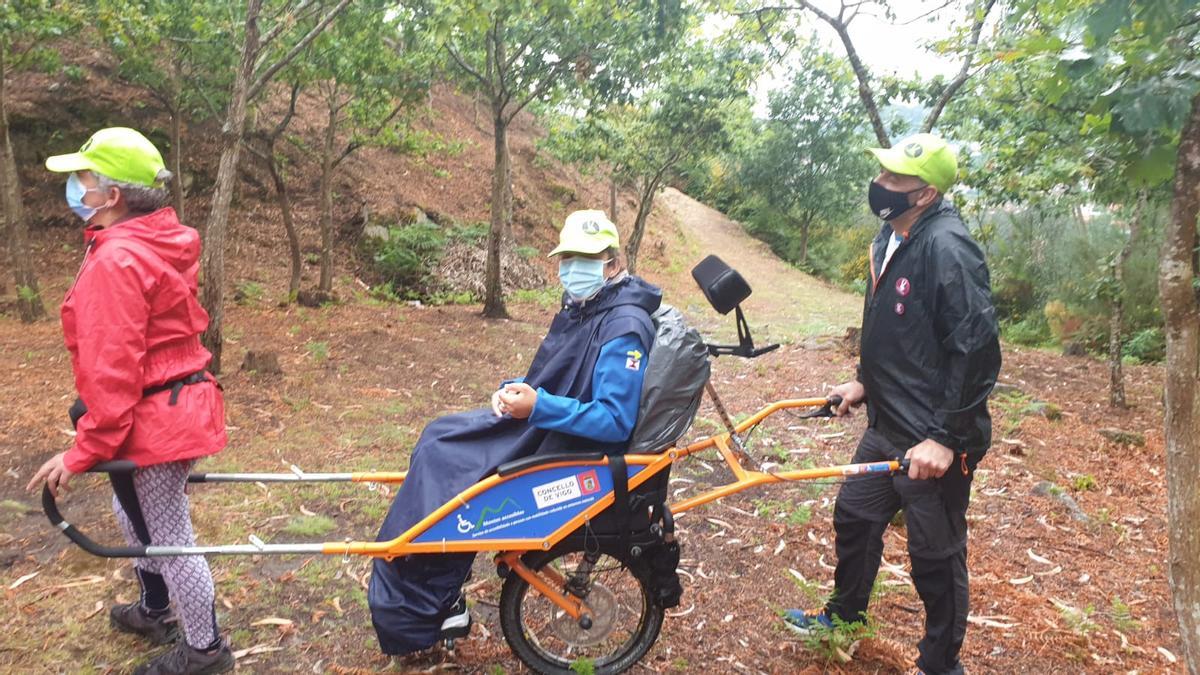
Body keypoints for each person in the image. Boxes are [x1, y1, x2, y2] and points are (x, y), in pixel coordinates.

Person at [368, 210, 661, 657]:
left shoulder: (623, 327)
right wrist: (513, 393)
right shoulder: (589, 307)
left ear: (611, 261)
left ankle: (426, 600)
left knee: (446, 460)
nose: (569, 269)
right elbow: (555, 374)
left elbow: (614, 421)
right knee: (438, 435)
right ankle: (432, 587)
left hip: (567, 444)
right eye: (565, 258)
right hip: (543, 427)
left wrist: (537, 405)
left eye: (582, 258)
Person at [783, 133, 1001, 675]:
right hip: (888, 422)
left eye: (895, 180)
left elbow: (976, 350)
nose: (881, 186)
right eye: (881, 174)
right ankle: (844, 617)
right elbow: (894, 331)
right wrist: (863, 382)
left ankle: (941, 665)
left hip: (931, 436)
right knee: (855, 515)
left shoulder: (948, 248)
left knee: (935, 554)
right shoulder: (889, 237)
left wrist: (947, 439)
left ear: (925, 194)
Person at [27, 127, 233, 675]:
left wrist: (82, 450)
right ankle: (155, 608)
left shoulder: (119, 260)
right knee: (133, 511)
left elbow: (111, 369)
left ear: (112, 195)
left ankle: (205, 652)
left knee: (168, 535)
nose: (76, 187)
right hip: (172, 404)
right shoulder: (149, 240)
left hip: (161, 416)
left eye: (84, 178)